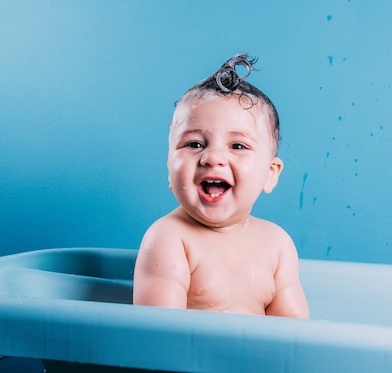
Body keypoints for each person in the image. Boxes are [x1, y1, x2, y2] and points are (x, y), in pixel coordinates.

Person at [132, 53, 309, 318]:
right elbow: (159, 338)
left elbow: (296, 337)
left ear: (270, 174)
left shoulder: (277, 245)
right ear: (170, 170)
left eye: (238, 146)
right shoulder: (169, 239)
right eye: (194, 144)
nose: (212, 158)